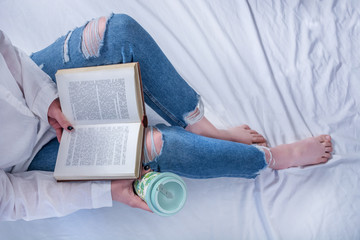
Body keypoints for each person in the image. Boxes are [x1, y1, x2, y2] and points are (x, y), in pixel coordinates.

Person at [0, 14, 332, 221]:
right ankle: (268, 159)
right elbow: (14, 200)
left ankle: (209, 130)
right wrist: (105, 192)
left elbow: (6, 52)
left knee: (116, 33)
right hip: (30, 160)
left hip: (36, 87)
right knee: (155, 146)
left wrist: (48, 101)